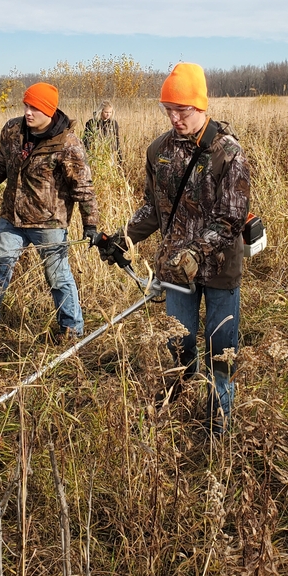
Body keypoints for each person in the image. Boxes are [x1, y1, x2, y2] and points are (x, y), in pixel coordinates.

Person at [96, 64, 250, 434]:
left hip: (219, 270)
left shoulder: (228, 153)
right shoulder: (158, 150)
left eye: (182, 109)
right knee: (178, 341)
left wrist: (196, 253)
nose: (175, 117)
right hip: (175, 272)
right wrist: (122, 236)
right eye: (168, 109)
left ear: (201, 106)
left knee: (221, 348)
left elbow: (231, 218)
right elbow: (154, 209)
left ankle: (219, 420)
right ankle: (177, 401)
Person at [0, 82, 98, 351]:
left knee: (58, 278)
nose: (28, 112)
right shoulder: (12, 130)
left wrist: (90, 224)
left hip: (48, 222)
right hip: (10, 219)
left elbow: (82, 186)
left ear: (48, 110)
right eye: (26, 105)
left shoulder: (67, 143)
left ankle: (72, 332)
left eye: (34, 107)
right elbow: (1, 165)